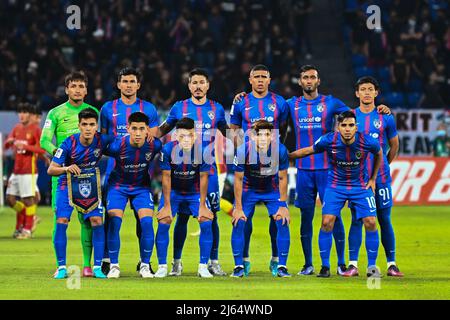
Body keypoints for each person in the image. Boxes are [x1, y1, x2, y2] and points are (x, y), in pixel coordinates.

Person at [285, 64, 391, 276]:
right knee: (306, 217)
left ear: (318, 80)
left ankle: (343, 263)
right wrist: (242, 97)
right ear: (300, 81)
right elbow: (269, 111)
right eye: (305, 77)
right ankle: (309, 264)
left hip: (328, 171)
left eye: (312, 77)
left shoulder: (331, 102)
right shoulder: (290, 104)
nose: (308, 81)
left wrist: (380, 108)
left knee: (334, 218)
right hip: (304, 171)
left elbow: (354, 114)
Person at [289, 111, 383, 278]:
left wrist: (373, 178)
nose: (347, 129)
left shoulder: (367, 141)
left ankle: (372, 268)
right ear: (338, 127)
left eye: (351, 125)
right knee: (326, 222)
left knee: (370, 222)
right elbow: (308, 151)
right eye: (344, 125)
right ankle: (325, 267)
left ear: (356, 127)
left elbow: (379, 153)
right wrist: (286, 156)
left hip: (360, 186)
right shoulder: (328, 140)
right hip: (335, 186)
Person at [157, 68, 228, 276]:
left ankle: (212, 261)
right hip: (180, 172)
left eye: (201, 82)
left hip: (207, 172)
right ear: (189, 86)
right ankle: (176, 263)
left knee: (211, 216)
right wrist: (144, 137)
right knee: (181, 218)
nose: (198, 86)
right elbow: (163, 129)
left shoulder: (217, 109)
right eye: (194, 82)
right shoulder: (179, 108)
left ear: (208, 85)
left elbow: (231, 133)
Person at [230, 64, 289, 276]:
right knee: (241, 220)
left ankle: (278, 262)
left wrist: (283, 204)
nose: (261, 80)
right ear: (250, 79)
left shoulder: (279, 102)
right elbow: (233, 131)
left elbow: (283, 128)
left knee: (281, 218)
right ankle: (241, 263)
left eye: (264, 76)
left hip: (271, 180)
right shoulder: (240, 103)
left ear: (269, 79)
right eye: (257, 77)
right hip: (249, 178)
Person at [99, 67, 159, 275]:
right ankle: (108, 260)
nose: (128, 85)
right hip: (115, 171)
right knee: (112, 217)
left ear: (138, 85)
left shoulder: (149, 109)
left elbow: (154, 139)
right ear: (118, 84)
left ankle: (145, 262)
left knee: (144, 220)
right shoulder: (107, 108)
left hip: (141, 174)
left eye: (132, 81)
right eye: (125, 81)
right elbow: (104, 140)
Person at [40, 71, 99, 277]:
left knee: (87, 219)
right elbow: (44, 140)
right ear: (66, 89)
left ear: (86, 90)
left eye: (81, 86)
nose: (77, 90)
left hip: (87, 176)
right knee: (61, 219)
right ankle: (61, 265)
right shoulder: (55, 113)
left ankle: (87, 265)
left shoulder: (93, 111)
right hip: (63, 175)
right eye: (73, 86)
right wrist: (62, 156)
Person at [344, 76, 403, 277]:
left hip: (381, 178)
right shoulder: (350, 116)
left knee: (384, 219)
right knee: (357, 220)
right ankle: (353, 265)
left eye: (370, 89)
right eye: (363, 89)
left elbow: (394, 144)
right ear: (357, 93)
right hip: (358, 179)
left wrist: (384, 163)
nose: (367, 92)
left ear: (376, 93)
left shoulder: (385, 116)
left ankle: (391, 264)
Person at [47, 108, 110, 279]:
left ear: (96, 126)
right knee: (62, 220)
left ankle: (96, 267)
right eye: (84, 125)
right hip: (66, 185)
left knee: (97, 220)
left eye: (91, 124)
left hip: (90, 185)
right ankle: (61, 267)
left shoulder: (102, 140)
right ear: (79, 126)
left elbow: (122, 146)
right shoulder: (68, 143)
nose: (88, 128)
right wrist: (66, 168)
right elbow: (51, 169)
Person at [103, 112, 162, 279]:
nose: (137, 133)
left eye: (141, 129)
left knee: (147, 222)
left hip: (141, 187)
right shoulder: (116, 146)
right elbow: (98, 148)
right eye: (134, 128)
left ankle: (145, 265)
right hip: (118, 186)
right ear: (127, 128)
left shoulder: (154, 145)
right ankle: (114, 266)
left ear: (147, 130)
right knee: (114, 220)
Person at [156, 117, 214, 278]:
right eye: (182, 136)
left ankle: (203, 266)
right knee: (164, 220)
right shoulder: (167, 150)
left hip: (194, 192)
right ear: (176, 136)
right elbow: (166, 178)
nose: (186, 139)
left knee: (206, 221)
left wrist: (202, 205)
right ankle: (164, 266)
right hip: (173, 192)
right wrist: (166, 205)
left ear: (194, 135)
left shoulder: (203, 151)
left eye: (189, 135)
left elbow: (204, 178)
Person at [5, 103, 45, 239]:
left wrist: (26, 146)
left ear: (30, 115)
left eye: (25, 112)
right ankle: (30, 216)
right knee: (10, 199)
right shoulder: (16, 128)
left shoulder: (36, 130)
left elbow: (42, 149)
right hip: (16, 170)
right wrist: (9, 141)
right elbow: (7, 144)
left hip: (29, 170)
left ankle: (26, 230)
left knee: (28, 199)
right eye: (20, 112)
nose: (22, 115)